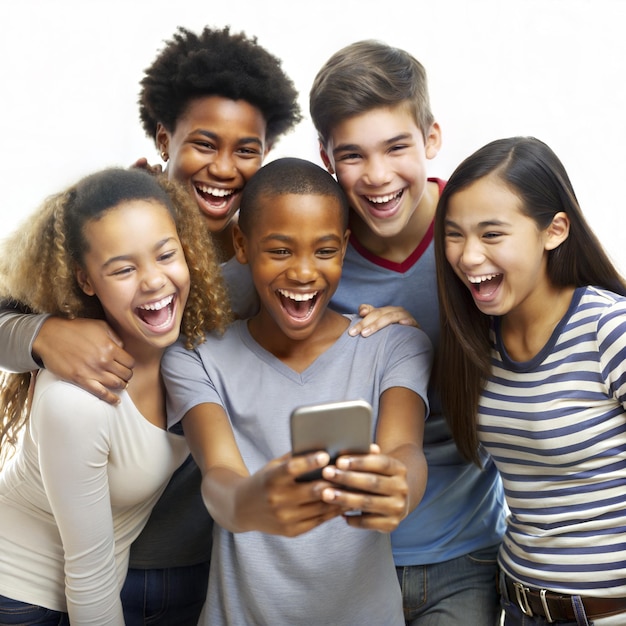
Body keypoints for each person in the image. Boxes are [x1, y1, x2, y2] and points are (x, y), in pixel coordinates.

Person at [0, 24, 302, 624]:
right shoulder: (114, 219)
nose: (224, 168)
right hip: (99, 558)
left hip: (202, 552)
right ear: (165, 137)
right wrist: (42, 335)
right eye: (203, 144)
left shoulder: (268, 254)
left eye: (247, 150)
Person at [161, 157, 434, 625]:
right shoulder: (196, 357)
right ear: (242, 244)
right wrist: (253, 502)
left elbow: (405, 448)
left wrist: (398, 490)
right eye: (281, 251)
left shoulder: (394, 345)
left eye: (324, 251)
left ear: (345, 249)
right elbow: (219, 476)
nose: (305, 272)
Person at [308, 40, 506, 624]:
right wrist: (29, 333)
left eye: (396, 147)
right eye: (352, 155)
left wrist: (420, 346)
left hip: (463, 549)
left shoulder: (481, 235)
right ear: (325, 157)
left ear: (432, 139)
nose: (377, 176)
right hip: (340, 555)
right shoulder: (309, 249)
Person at [0, 167, 230, 624]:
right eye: (123, 269)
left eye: (166, 255)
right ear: (86, 281)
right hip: (20, 596)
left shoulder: (189, 352)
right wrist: (40, 333)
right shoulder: (77, 399)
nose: (152, 281)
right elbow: (88, 572)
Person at [433, 135, 626, 626]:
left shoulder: (609, 328)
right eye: (454, 234)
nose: (468, 256)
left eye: (492, 234)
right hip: (518, 606)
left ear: (555, 230)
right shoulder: (476, 341)